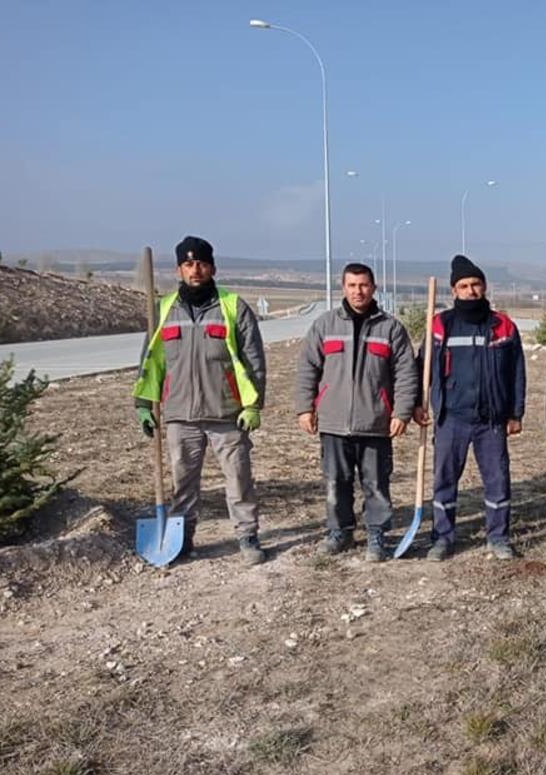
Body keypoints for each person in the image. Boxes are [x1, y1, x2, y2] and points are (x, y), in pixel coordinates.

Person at [132, 236, 267, 565]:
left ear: (213, 267)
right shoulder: (163, 309)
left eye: (202, 263)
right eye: (189, 264)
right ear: (179, 269)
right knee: (183, 483)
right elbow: (152, 361)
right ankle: (182, 539)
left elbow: (254, 360)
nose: (196, 270)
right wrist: (143, 404)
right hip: (180, 414)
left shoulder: (233, 306)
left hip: (227, 413)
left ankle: (247, 537)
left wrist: (253, 404)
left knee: (238, 479)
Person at [294, 263, 419, 561]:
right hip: (334, 423)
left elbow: (406, 374)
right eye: (352, 285)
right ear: (343, 288)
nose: (358, 291)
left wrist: (401, 413)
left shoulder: (390, 328)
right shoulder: (325, 325)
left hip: (375, 422)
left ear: (374, 288)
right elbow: (307, 369)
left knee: (376, 483)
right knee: (336, 481)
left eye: (363, 285)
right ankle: (340, 532)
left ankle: (377, 535)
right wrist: (304, 408)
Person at [413, 256, 526, 562]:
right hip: (452, 418)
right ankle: (442, 537)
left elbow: (517, 371)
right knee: (444, 480)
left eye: (475, 284)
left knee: (497, 480)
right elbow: (421, 367)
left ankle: (498, 537)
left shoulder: (502, 326)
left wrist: (516, 412)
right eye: (464, 286)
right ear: (454, 291)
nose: (471, 290)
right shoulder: (440, 325)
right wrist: (417, 405)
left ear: (484, 286)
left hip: (491, 420)